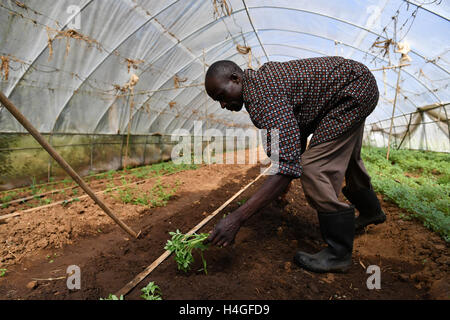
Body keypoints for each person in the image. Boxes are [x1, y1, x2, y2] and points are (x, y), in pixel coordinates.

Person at [204, 57, 386, 273]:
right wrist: (283, 181)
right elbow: (293, 138)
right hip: (356, 84)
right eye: (218, 102)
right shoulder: (260, 84)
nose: (223, 105)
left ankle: (339, 254)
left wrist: (237, 218)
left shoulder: (263, 98)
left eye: (222, 96)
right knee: (345, 155)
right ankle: (370, 211)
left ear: (236, 78)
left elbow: (288, 166)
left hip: (351, 92)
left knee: (313, 167)